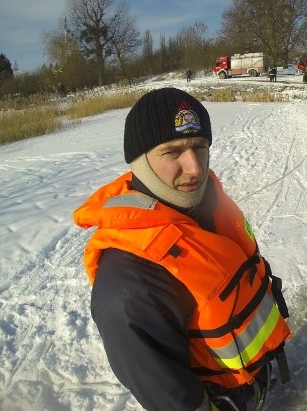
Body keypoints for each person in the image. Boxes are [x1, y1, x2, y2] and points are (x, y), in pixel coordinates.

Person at [73, 88, 292, 411]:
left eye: (200, 147)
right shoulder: (128, 282)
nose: (193, 167)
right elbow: (172, 399)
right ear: (140, 159)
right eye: (172, 152)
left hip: (252, 375)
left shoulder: (206, 201)